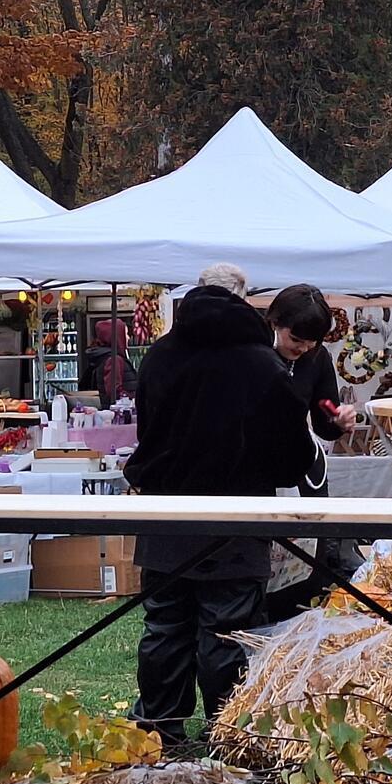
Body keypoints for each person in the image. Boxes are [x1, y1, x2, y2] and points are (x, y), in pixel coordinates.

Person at [126, 264, 318, 746]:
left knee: (165, 627)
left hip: (165, 514)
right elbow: (288, 457)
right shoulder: (262, 364)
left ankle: (158, 730)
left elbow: (145, 431)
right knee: (227, 633)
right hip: (238, 516)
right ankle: (228, 732)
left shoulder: (159, 356)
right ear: (245, 301)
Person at [263, 284, 359, 619]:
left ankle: (301, 620)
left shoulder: (317, 359)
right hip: (260, 471)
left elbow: (323, 417)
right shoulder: (254, 352)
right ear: (276, 322)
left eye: (311, 343)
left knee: (309, 559)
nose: (302, 349)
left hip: (304, 470)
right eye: (296, 340)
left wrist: (339, 420)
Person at [85, 318, 138, 402]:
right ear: (117, 336)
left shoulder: (108, 357)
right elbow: (114, 392)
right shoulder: (114, 360)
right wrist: (135, 398)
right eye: (126, 334)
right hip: (119, 412)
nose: (128, 338)